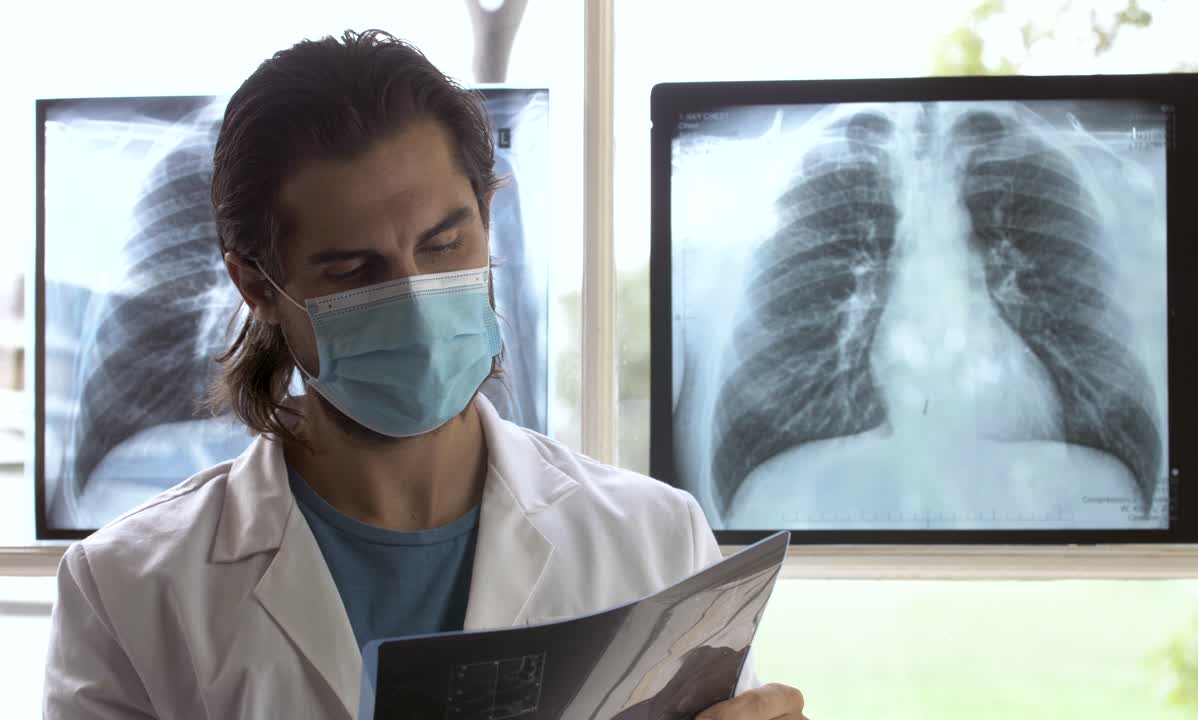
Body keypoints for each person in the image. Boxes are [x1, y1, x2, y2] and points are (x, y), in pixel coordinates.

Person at [42, 29, 806, 720]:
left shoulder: (652, 541)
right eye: (353, 269)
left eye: (445, 244)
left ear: (485, 214)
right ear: (256, 287)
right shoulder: (130, 591)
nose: (413, 300)